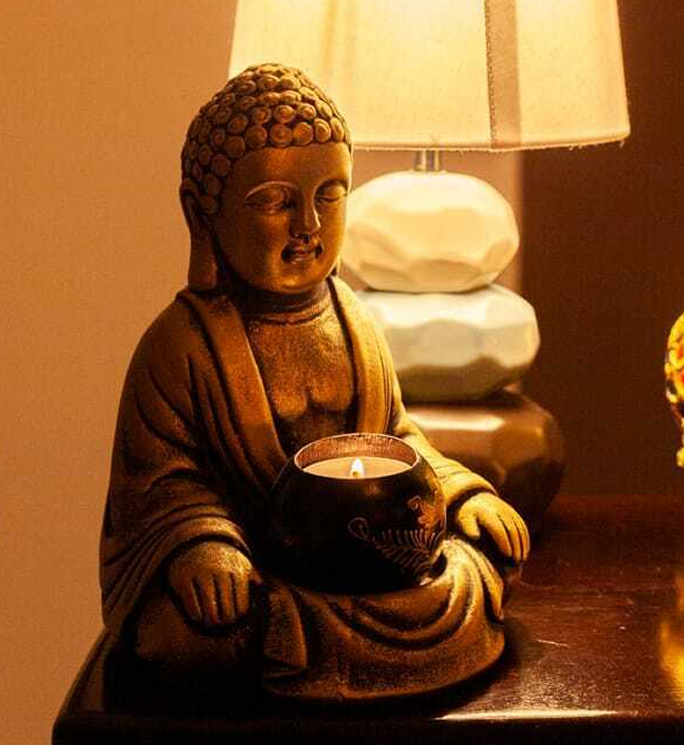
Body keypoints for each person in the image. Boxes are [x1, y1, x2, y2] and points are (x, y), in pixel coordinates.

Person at [100, 64, 528, 697]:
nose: (309, 225)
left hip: (364, 564)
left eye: (330, 195)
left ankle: (349, 652)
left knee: (477, 572)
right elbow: (159, 485)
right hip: (260, 576)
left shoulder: (355, 320)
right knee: (193, 636)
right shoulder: (181, 345)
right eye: (275, 200)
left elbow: (399, 440)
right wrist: (200, 545)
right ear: (203, 214)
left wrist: (463, 495)